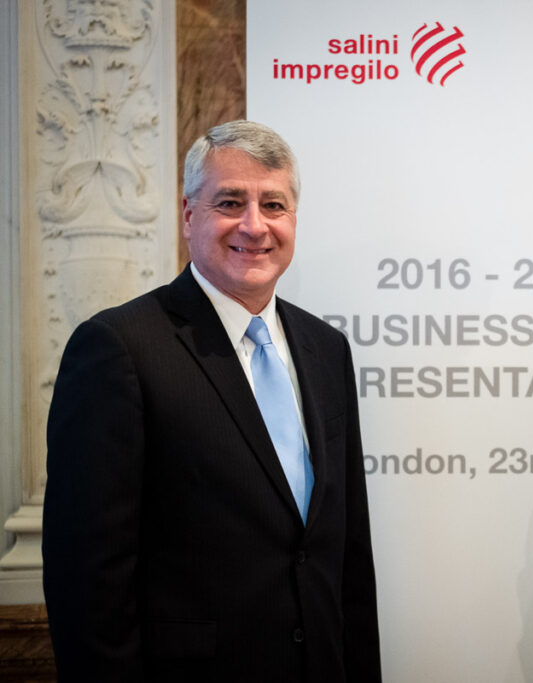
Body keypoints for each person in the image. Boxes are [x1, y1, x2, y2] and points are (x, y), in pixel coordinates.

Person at [42, 120, 381, 682]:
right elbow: (88, 581)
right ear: (187, 216)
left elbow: (347, 554)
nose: (255, 225)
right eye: (230, 202)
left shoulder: (326, 350)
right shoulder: (118, 349)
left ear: (293, 220)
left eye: (274, 204)